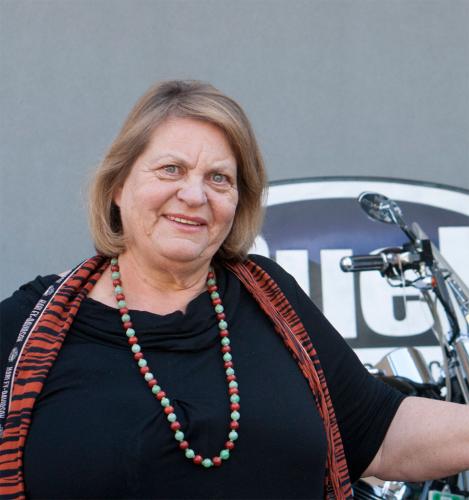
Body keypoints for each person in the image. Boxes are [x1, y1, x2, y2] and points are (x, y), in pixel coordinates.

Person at [0, 80, 468, 500]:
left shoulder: (272, 300)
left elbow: (379, 433)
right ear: (118, 186)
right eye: (171, 169)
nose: (194, 195)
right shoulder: (25, 330)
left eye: (218, 178)